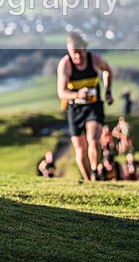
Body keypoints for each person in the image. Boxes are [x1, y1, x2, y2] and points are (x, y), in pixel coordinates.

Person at [57, 32, 113, 182]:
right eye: (73, 53)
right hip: (75, 108)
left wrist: (108, 91)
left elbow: (108, 70)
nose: (77, 57)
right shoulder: (65, 65)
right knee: (80, 150)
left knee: (93, 139)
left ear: (84, 49)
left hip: (94, 106)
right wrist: (77, 95)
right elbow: (61, 92)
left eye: (80, 53)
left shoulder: (94, 59)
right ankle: (89, 181)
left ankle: (95, 171)